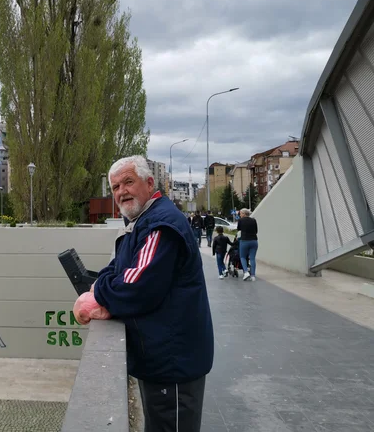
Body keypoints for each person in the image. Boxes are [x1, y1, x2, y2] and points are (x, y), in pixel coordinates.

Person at [73, 155, 214, 432]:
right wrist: (102, 286)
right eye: (115, 187)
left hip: (172, 363)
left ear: (150, 183)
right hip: (162, 358)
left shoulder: (160, 224)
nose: (121, 191)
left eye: (128, 182)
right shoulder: (144, 220)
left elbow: (135, 287)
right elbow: (120, 268)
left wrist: (98, 292)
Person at [237, 208, 258, 281]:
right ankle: (253, 276)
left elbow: (239, 229)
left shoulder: (240, 220)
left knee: (242, 257)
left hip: (244, 241)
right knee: (252, 258)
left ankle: (246, 272)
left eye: (240, 214)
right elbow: (256, 231)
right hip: (254, 241)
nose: (240, 215)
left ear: (244, 214)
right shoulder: (253, 220)